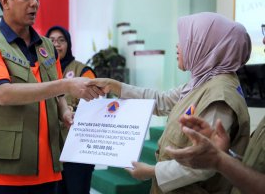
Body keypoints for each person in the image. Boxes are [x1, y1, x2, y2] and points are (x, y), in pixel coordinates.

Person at [0, 0, 103, 194]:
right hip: (4, 172)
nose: (34, 3)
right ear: (5, 1)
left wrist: (64, 111)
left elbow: (57, 93)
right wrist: (66, 86)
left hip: (48, 168)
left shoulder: (47, 47)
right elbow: (4, 94)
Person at [88, 12, 252, 193]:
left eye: (186, 40)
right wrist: (115, 86)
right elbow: (162, 101)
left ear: (207, 46)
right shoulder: (203, 82)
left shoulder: (220, 96)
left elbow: (205, 163)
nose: (178, 45)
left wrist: (152, 171)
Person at [165, 31, 265, 194]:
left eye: (189, 41)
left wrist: (219, 160)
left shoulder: (220, 92)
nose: (264, 39)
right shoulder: (202, 82)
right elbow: (255, 164)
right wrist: (226, 155)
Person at [46, 26, 96, 194]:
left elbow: (95, 105)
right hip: (51, 149)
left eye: (61, 40)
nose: (56, 44)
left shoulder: (82, 71)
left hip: (78, 148)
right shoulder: (42, 72)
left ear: (68, 43)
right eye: (51, 40)